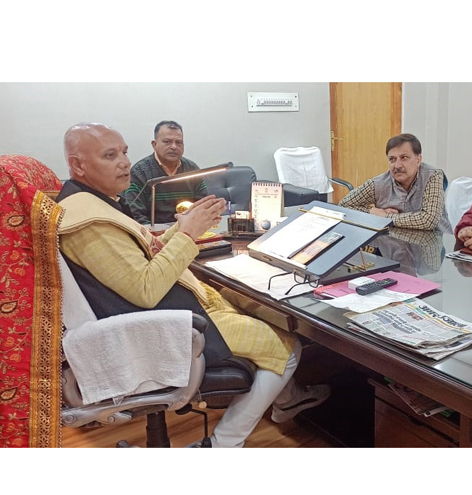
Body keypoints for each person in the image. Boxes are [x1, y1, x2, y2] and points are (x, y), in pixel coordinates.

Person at [56, 123, 330, 447]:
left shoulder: (93, 203)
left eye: (125, 152)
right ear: (78, 165)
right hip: (171, 325)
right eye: (110, 155)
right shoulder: (89, 223)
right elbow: (145, 289)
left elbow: (146, 249)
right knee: (287, 348)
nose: (125, 162)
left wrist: (185, 226)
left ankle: (285, 400)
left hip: (177, 305)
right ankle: (225, 443)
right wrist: (186, 234)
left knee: (254, 306)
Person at [339, 133, 446, 231]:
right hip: (392, 247)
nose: (397, 165)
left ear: (418, 160)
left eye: (404, 158)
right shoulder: (378, 184)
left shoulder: (433, 176)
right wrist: (371, 212)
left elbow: (429, 220)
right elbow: (344, 205)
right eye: (392, 159)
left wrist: (385, 217)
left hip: (429, 246)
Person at [123, 120, 208, 224]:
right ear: (154, 145)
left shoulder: (191, 169)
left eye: (178, 142)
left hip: (188, 230)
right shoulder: (140, 172)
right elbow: (135, 214)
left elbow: (202, 206)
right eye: (167, 142)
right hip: (153, 233)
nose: (174, 147)